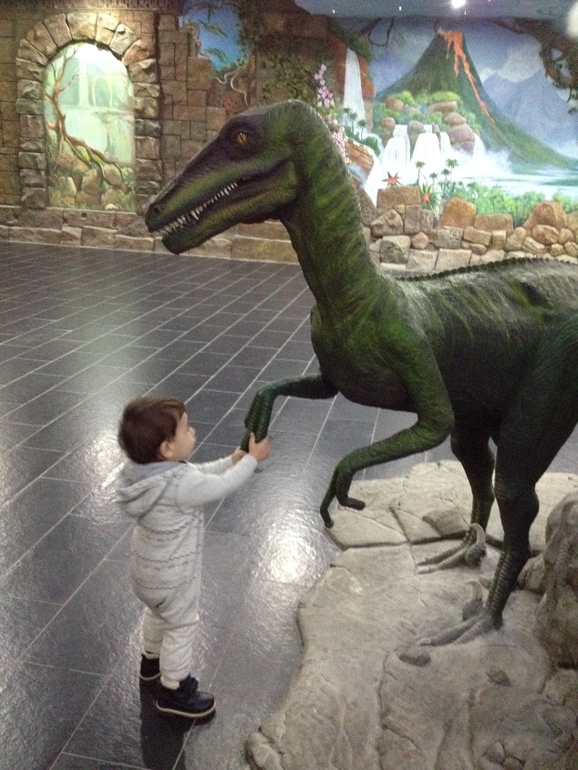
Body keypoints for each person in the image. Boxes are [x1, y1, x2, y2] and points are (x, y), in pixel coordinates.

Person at [116, 395, 271, 719]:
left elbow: (197, 473)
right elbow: (221, 486)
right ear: (166, 448)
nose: (194, 432)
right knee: (181, 626)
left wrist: (233, 459)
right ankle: (174, 690)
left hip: (145, 574)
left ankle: (151, 662)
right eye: (186, 429)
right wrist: (251, 461)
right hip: (174, 579)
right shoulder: (180, 484)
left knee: (158, 615)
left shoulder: (143, 474)